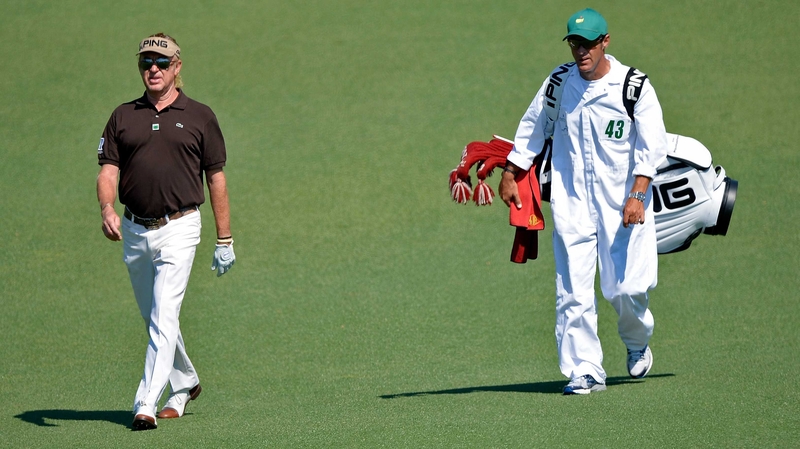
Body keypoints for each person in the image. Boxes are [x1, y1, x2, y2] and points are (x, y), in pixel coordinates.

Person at [499, 8, 668, 395]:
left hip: (624, 206)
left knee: (626, 289)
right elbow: (533, 127)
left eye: (589, 43)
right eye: (575, 43)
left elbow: (651, 148)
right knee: (572, 291)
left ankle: (637, 340)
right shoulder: (558, 83)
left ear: (605, 42)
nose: (581, 51)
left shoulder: (634, 88)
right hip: (572, 202)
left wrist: (638, 195)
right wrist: (512, 171)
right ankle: (585, 369)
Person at [96, 33, 236, 429]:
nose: (152, 69)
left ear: (177, 67)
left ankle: (145, 402)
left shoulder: (200, 115)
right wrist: (107, 207)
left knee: (164, 314)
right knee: (153, 316)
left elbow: (216, 177)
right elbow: (108, 170)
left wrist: (224, 238)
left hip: (180, 226)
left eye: (160, 62)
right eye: (145, 63)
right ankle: (185, 381)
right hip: (135, 229)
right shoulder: (123, 115)